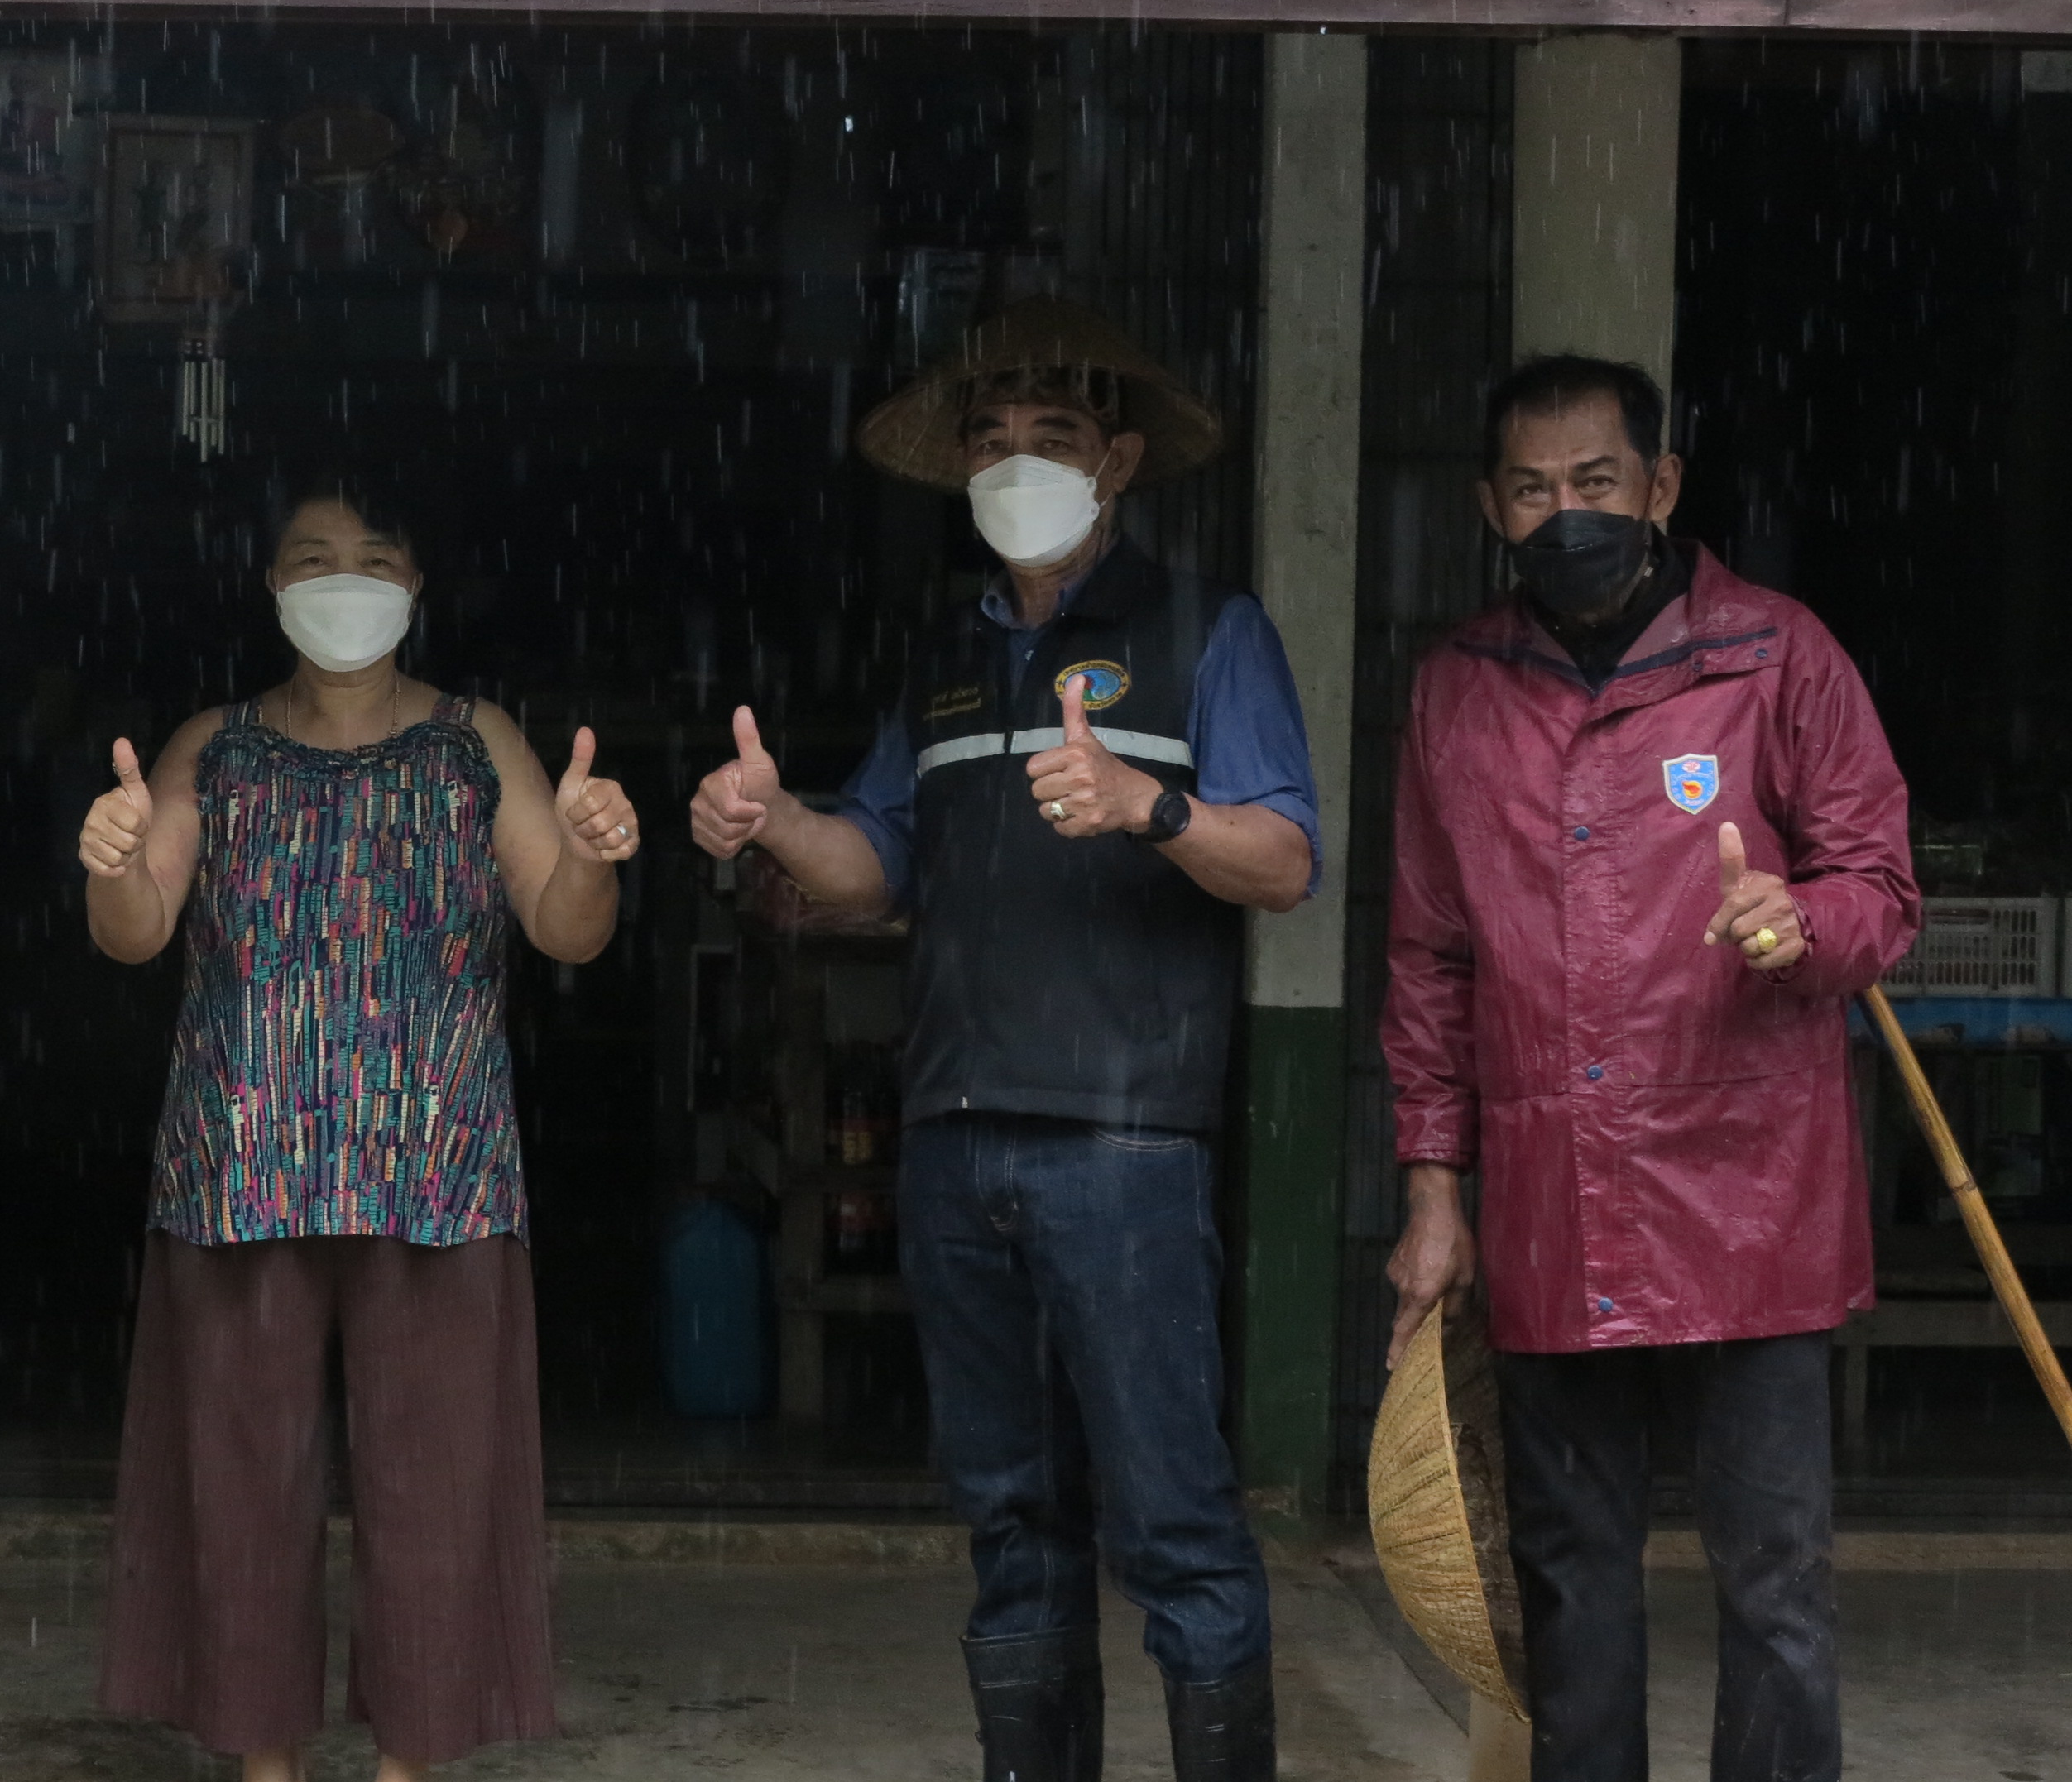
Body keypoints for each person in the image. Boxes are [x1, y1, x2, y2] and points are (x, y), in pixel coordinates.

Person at [687, 300, 1319, 1781]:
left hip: (1125, 1148)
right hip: (954, 1145)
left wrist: (1150, 807)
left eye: (1052, 439)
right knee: (1013, 1527)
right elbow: (871, 870)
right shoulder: (949, 663)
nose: (1016, 465)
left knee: (1173, 1525)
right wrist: (771, 820)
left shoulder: (1205, 633)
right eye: (991, 442)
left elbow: (1285, 861)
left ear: (1123, 459)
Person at [1381, 355, 1917, 1782]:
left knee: (1776, 1584)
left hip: (1758, 1197)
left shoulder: (1778, 656)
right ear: (1493, 505)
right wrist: (1436, 1196)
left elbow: (1881, 887)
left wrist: (1799, 924)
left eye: (1599, 484)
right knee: (1572, 1587)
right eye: (1538, 489)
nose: (1571, 514)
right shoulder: (1458, 690)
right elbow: (1430, 963)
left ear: (1662, 487)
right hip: (1559, 1196)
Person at [77, 481, 640, 1782]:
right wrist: (114, 861)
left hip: (436, 1167)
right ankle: (263, 1764)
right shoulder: (209, 747)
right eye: (313, 559)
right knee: (241, 1496)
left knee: (434, 1495)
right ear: (273, 588)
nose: (344, 581)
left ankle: (409, 1765)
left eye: (373, 558)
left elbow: (567, 925)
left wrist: (597, 850)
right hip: (243, 1166)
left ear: (416, 587)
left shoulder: (470, 741)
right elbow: (138, 931)